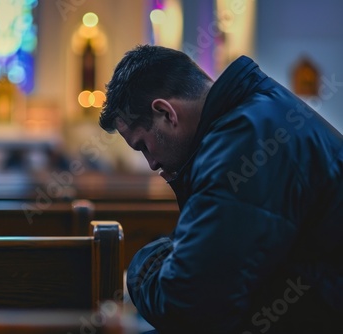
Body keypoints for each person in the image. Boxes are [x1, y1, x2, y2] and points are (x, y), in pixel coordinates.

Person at [99, 44, 343, 334]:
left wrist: (143, 264)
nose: (151, 163)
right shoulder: (255, 114)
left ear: (166, 113)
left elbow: (188, 305)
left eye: (142, 145)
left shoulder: (243, 143)